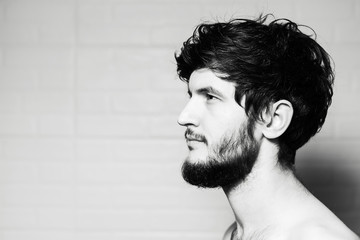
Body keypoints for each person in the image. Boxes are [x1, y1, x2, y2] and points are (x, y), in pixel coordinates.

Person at [174, 15, 360, 240]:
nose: (184, 117)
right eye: (191, 96)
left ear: (273, 119)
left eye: (211, 96)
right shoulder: (237, 234)